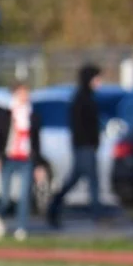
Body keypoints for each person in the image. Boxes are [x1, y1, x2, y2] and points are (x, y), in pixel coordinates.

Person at [47, 65, 103, 228]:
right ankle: (96, 214)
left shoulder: (89, 97)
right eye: (96, 79)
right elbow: (81, 126)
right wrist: (89, 142)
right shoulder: (81, 99)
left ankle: (54, 206)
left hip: (86, 146)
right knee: (93, 181)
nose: (99, 82)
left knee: (74, 180)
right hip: (84, 147)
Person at [0, 81, 43, 241]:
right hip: (9, 158)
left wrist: (39, 165)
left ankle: (21, 228)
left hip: (26, 159)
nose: (25, 96)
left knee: (24, 196)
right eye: (22, 92)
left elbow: (36, 142)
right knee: (5, 197)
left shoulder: (32, 116)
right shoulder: (6, 115)